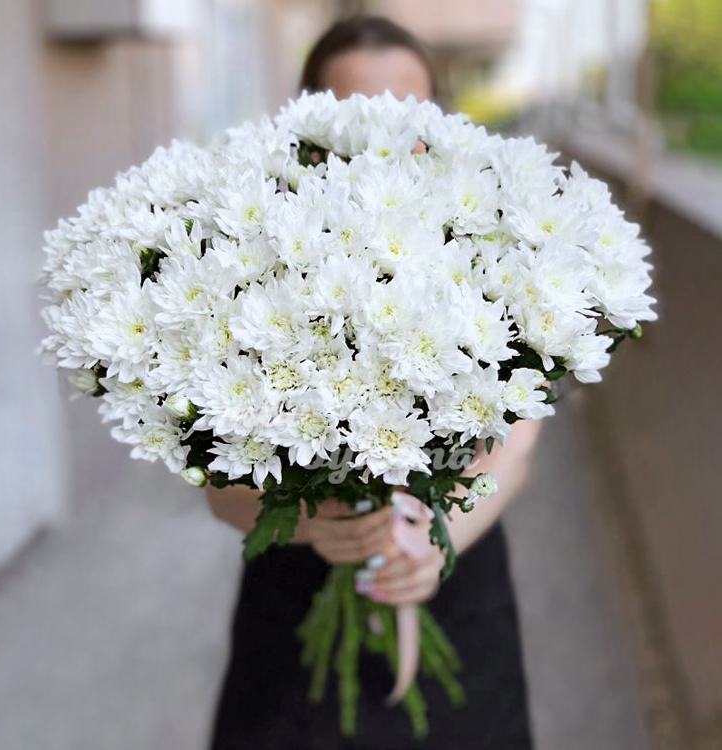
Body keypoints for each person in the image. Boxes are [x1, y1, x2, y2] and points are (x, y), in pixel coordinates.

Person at [206, 16, 539, 750]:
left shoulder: (498, 246)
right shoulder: (245, 264)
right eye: (354, 122)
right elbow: (216, 487)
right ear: (304, 130)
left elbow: (515, 447)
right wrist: (303, 520)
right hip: (294, 594)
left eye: (407, 119)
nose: (382, 145)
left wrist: (438, 538)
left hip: (454, 569)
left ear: (439, 122)